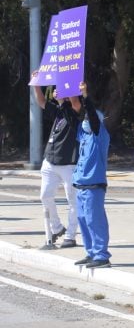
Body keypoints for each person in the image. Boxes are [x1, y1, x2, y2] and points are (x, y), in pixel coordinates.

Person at [32, 71, 81, 248]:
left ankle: (70, 235)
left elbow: (74, 104)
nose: (57, 91)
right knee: (45, 196)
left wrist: (66, 93)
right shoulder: (59, 110)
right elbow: (42, 102)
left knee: (73, 201)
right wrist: (37, 84)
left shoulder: (76, 111)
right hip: (50, 161)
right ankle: (57, 226)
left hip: (69, 163)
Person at [72, 82, 112, 268]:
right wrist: (65, 99)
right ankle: (91, 253)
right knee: (83, 219)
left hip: (94, 186)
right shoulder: (85, 135)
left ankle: (101, 255)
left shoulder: (99, 134)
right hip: (81, 186)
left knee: (94, 220)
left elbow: (92, 118)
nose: (86, 120)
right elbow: (73, 116)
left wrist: (85, 96)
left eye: (89, 118)